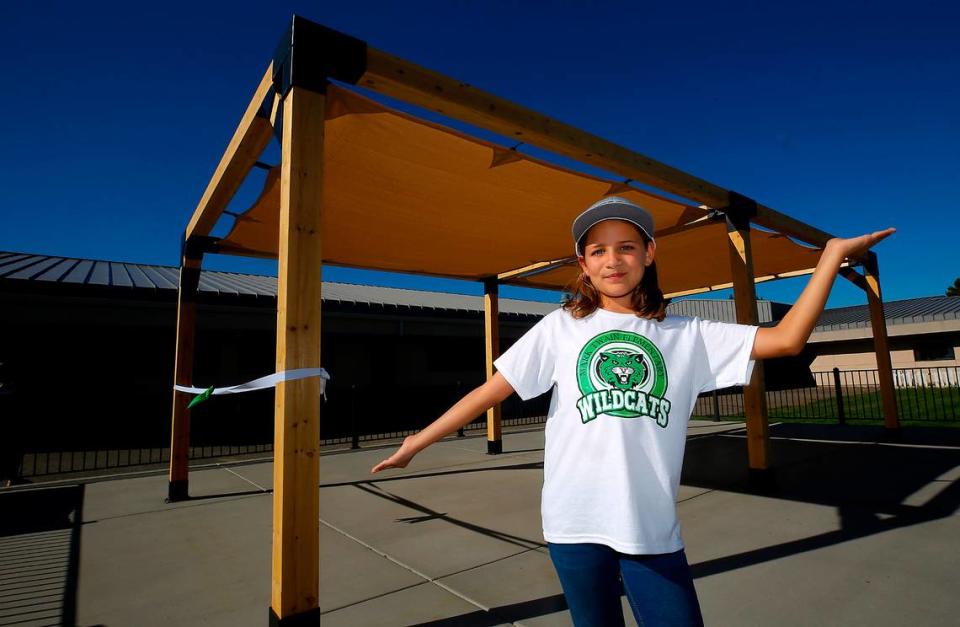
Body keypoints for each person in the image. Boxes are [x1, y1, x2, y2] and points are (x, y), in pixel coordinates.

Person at [371, 196, 894, 626]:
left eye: (626, 247)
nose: (611, 260)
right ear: (583, 264)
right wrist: (418, 443)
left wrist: (829, 257)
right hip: (572, 523)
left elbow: (786, 339)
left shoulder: (687, 334)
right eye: (597, 250)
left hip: (649, 526)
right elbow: (492, 391)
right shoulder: (561, 329)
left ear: (649, 253)